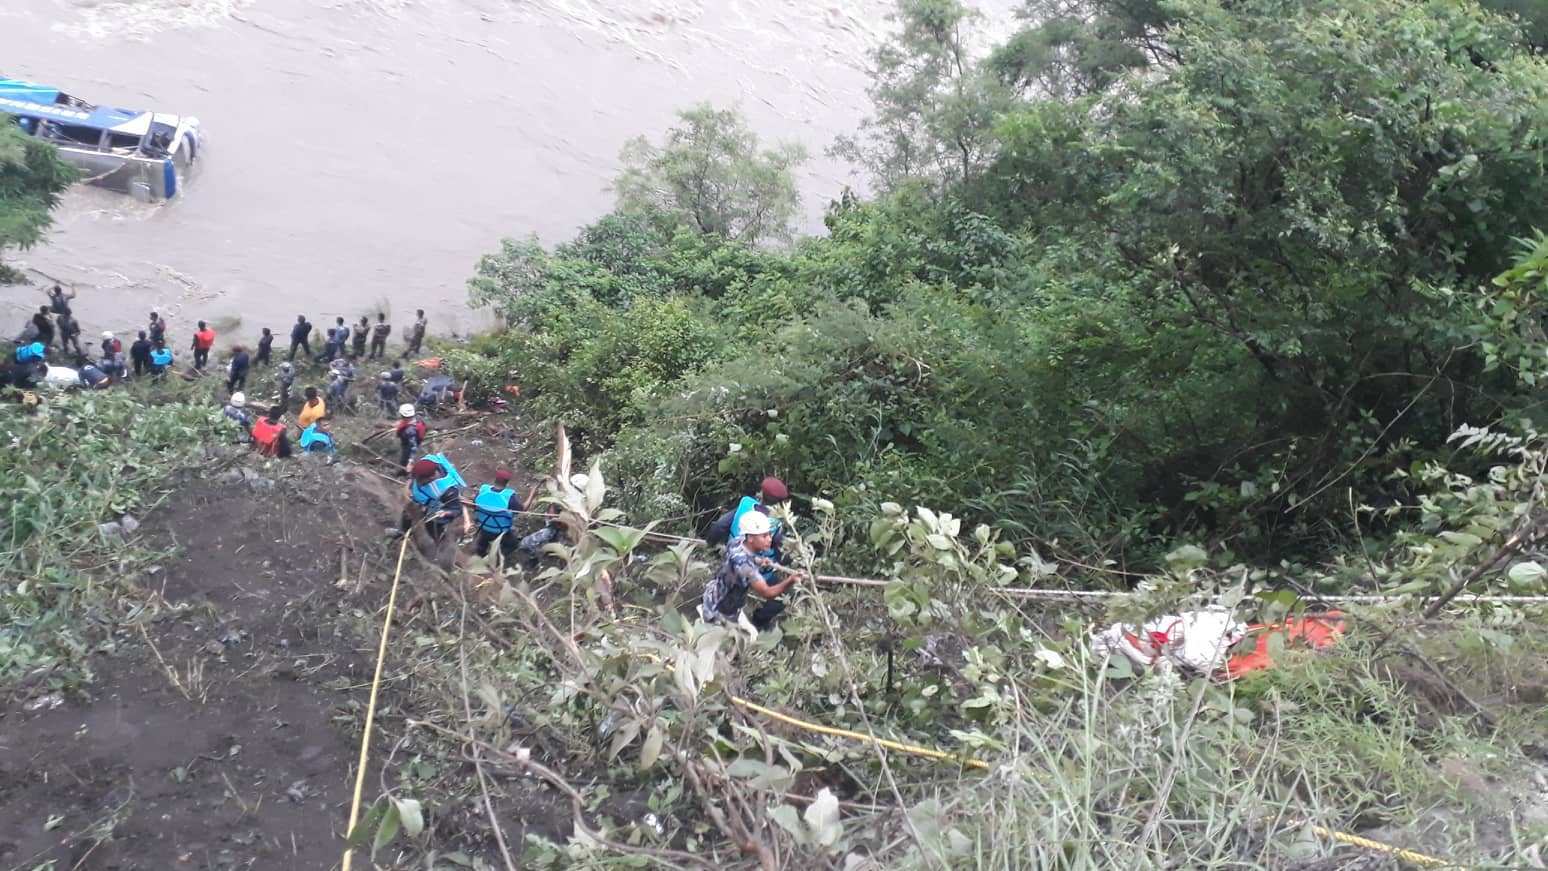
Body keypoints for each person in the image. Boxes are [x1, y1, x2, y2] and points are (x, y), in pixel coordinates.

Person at [700, 511, 800, 631]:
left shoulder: (737, 541)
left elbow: (744, 555)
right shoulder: (746, 568)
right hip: (720, 611)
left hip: (716, 594)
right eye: (764, 536)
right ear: (751, 538)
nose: (769, 539)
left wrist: (758, 560)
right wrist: (791, 580)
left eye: (769, 534)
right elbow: (767, 592)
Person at [706, 477, 791, 585]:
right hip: (758, 572)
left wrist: (710, 543)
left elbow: (719, 526)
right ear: (780, 503)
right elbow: (782, 553)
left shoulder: (745, 505)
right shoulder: (776, 523)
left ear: (762, 493)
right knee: (777, 594)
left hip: (733, 559)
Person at [403, 454, 470, 543]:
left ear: (432, 477)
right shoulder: (427, 460)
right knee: (406, 514)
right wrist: (409, 481)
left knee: (432, 527)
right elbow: (413, 473)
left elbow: (457, 509)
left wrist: (446, 512)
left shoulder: (448, 490)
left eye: (420, 481)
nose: (418, 482)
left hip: (438, 511)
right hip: (421, 501)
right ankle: (402, 532)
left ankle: (441, 545)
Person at [472, 468, 523, 561]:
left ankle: (480, 554)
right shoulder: (508, 497)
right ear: (507, 482)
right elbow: (522, 510)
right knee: (514, 544)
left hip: (484, 528)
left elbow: (474, 505)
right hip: (500, 532)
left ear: (495, 479)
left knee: (482, 541)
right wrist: (533, 493)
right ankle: (498, 558)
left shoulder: (483, 490)